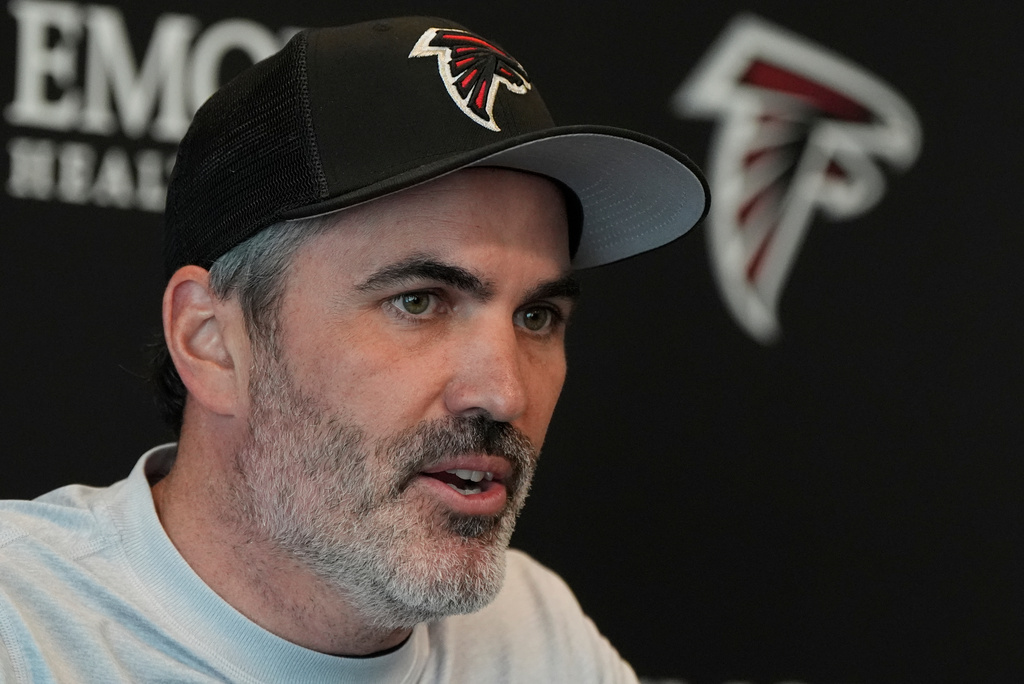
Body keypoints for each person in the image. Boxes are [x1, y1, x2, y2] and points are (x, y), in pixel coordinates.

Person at [0, 16, 708, 683]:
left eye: (536, 315)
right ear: (211, 342)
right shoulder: (24, 626)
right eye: (418, 302)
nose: (504, 394)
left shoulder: (533, 634)